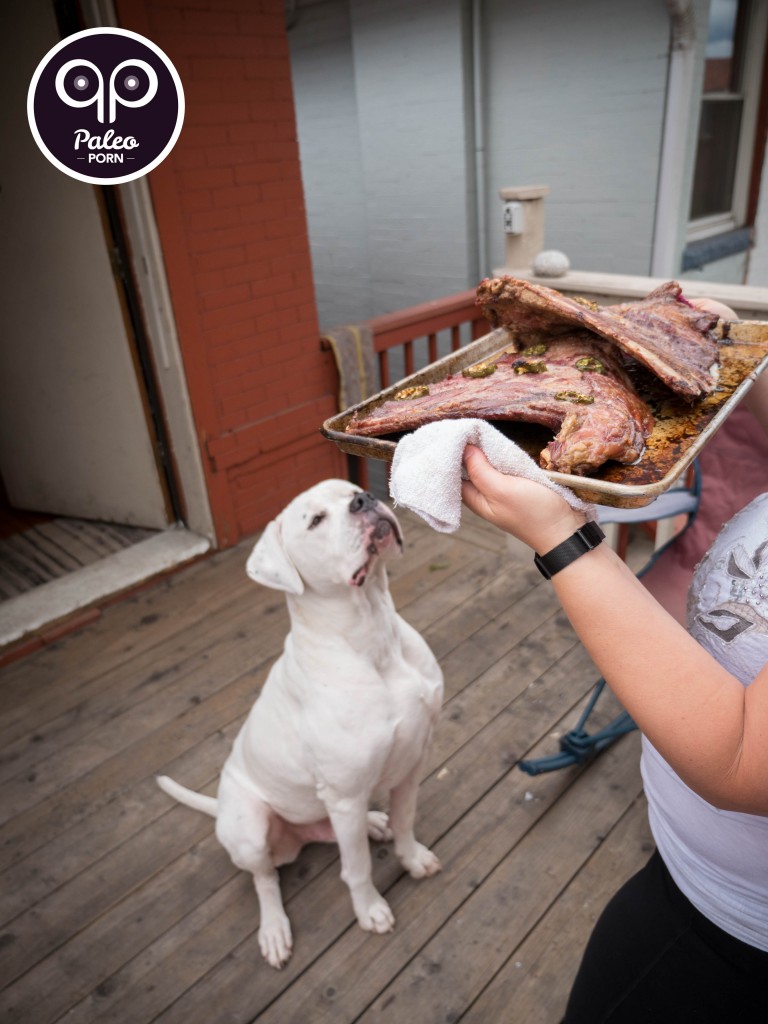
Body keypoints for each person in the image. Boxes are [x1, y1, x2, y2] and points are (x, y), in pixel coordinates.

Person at [460, 298, 768, 1022]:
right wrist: (707, 359)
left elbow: (740, 761)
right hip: (692, 881)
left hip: (732, 948)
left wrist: (563, 540)